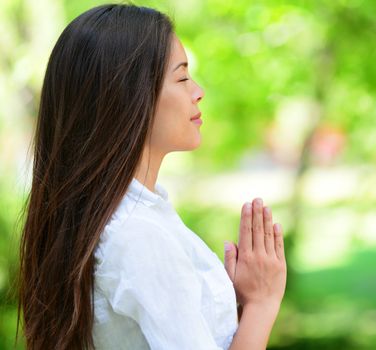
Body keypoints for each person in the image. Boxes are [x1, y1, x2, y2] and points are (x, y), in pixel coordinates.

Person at [17, 4, 287, 350]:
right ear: (129, 97)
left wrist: (232, 302)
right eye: (182, 77)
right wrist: (262, 304)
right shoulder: (139, 235)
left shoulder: (120, 216)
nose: (198, 91)